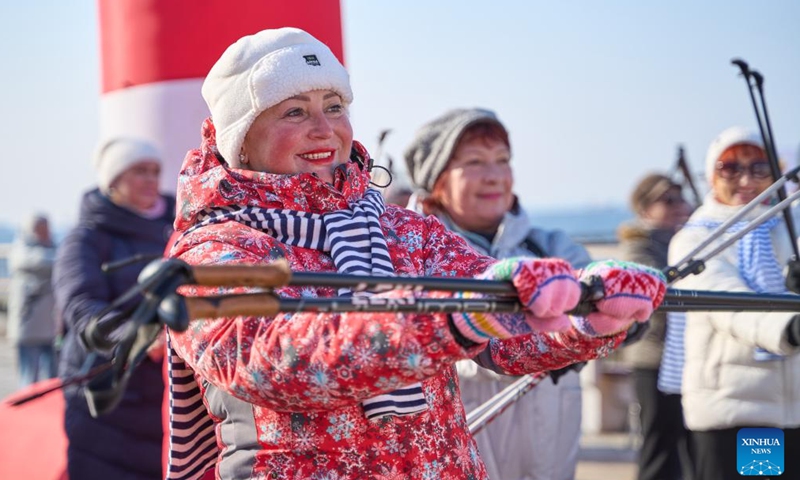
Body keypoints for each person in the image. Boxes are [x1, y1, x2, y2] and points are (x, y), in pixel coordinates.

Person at [164, 27, 666, 480]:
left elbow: (503, 328)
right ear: (241, 140)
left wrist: (587, 315)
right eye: (294, 111)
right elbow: (273, 364)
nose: (324, 128)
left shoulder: (404, 230)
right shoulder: (213, 250)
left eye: (334, 106)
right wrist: (448, 320)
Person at [402, 107, 592, 480]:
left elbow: (592, 292)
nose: (494, 175)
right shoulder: (408, 254)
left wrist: (607, 319)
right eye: (474, 162)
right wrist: (540, 343)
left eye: (502, 160)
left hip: (549, 452)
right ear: (437, 180)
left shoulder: (551, 248)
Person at [668, 126, 800, 480]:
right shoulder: (696, 238)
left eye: (760, 168)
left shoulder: (791, 222)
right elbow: (726, 304)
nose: (746, 180)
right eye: (730, 168)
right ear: (711, 176)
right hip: (739, 411)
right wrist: (790, 327)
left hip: (793, 414)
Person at [52, 138, 175, 480]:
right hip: (106, 396)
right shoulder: (86, 238)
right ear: (113, 180)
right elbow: (81, 305)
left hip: (164, 394)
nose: (151, 179)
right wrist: (139, 339)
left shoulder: (180, 228)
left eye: (155, 171)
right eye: (139, 171)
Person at [617, 173, 693, 480]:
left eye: (681, 198)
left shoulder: (686, 241)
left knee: (689, 446)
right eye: (668, 200)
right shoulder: (637, 247)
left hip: (686, 358)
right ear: (644, 208)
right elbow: (654, 287)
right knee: (659, 442)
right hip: (654, 359)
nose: (680, 206)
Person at [7, 213, 59, 387]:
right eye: (40, 228)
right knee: (30, 380)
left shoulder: (55, 249)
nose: (45, 232)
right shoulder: (22, 250)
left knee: (53, 379)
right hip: (28, 325)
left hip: (51, 327)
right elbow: (37, 261)